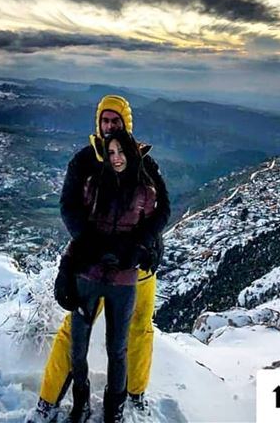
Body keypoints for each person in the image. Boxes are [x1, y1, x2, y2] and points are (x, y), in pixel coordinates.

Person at [29, 95, 170, 423]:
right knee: (73, 331)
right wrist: (88, 247)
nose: (109, 127)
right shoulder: (83, 162)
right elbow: (70, 208)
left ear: (126, 125)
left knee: (138, 330)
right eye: (105, 121)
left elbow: (162, 211)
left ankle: (134, 395)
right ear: (98, 123)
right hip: (92, 264)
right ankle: (48, 400)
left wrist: (142, 246)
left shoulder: (145, 163)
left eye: (115, 121)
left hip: (137, 264)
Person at [67, 129, 162, 422]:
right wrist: (65, 268)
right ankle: (80, 401)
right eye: (111, 152)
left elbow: (150, 234)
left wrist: (141, 252)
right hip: (89, 274)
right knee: (77, 345)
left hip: (123, 281)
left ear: (132, 153)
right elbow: (80, 234)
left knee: (117, 349)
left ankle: (113, 407)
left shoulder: (146, 193)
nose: (117, 158)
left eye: (122, 151)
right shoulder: (93, 186)